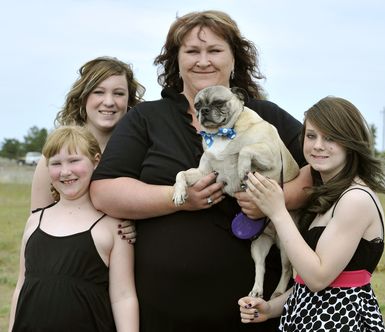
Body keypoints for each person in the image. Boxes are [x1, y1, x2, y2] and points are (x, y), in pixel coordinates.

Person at [90, 10, 311, 331]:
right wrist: (177, 198)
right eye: (192, 51)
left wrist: (278, 198)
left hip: (254, 314)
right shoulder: (146, 119)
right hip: (162, 313)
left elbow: (318, 171)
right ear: (175, 62)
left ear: (235, 59)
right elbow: (104, 190)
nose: (203, 61)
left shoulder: (266, 116)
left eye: (215, 50)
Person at [238, 96, 385, 331]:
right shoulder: (329, 196)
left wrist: (278, 211)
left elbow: (318, 279)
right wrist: (270, 308)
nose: (318, 145)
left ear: (351, 143)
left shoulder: (355, 199)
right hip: (308, 320)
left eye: (330, 138)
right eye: (311, 136)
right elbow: (308, 283)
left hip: (341, 323)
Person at [9, 126, 139, 332]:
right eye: (56, 163)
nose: (65, 171)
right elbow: (21, 286)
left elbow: (123, 297)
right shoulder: (35, 221)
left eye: (74, 160)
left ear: (96, 161)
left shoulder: (113, 226)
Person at [30, 56, 145, 213]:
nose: (109, 102)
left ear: (129, 100)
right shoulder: (55, 156)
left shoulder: (142, 151)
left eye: (118, 93)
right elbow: (37, 224)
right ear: (83, 97)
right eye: (98, 92)